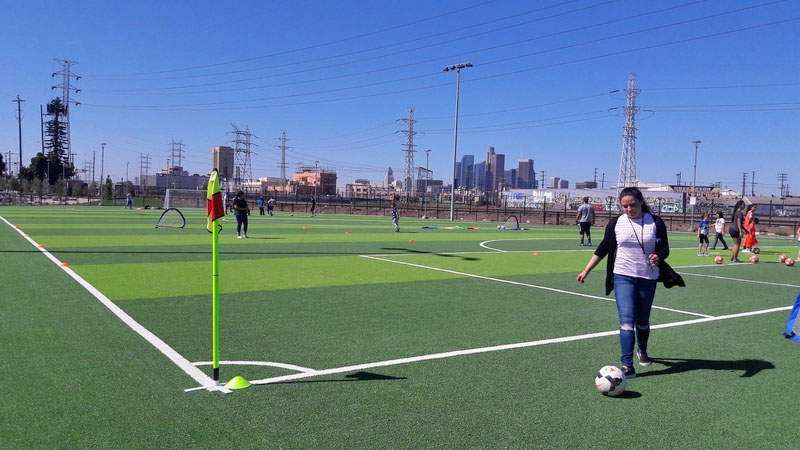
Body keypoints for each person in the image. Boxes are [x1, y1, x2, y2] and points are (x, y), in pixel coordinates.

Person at [577, 187, 682, 378]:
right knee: (626, 321)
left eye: (632, 205)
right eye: (624, 206)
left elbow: (665, 249)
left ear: (641, 202)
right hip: (622, 276)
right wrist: (586, 270)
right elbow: (603, 248)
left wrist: (658, 256)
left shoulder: (655, 222)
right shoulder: (616, 223)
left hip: (647, 277)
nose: (628, 209)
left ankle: (642, 349)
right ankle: (627, 364)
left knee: (642, 322)